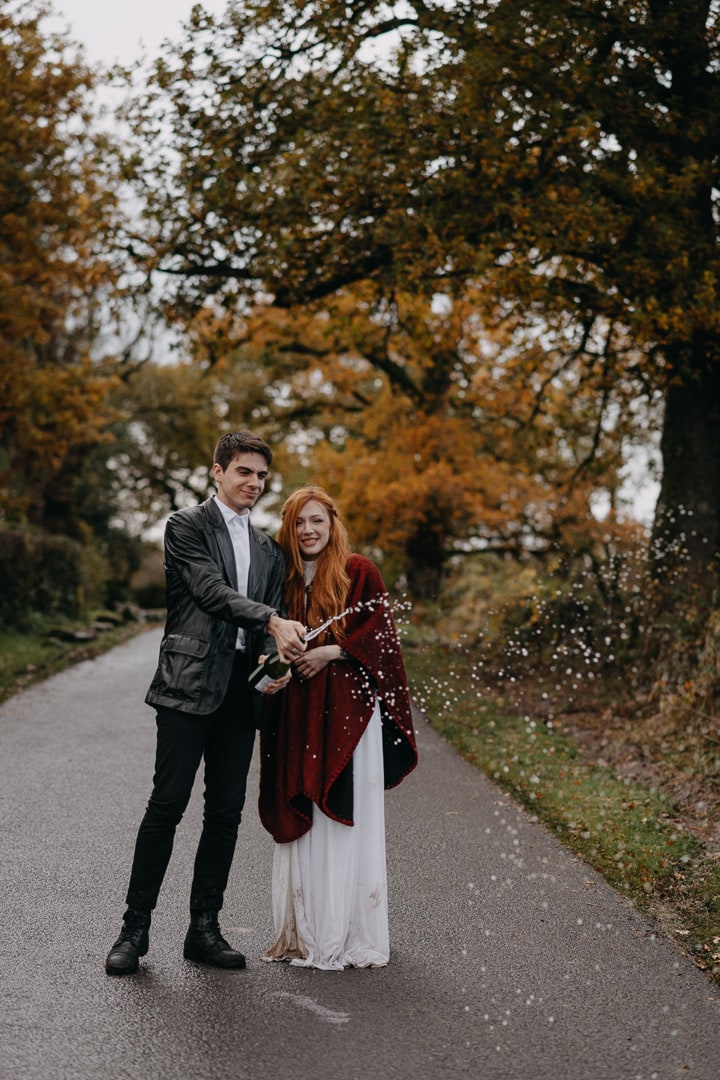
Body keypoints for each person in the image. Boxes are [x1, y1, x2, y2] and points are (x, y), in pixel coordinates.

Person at [105, 430, 307, 976]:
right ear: (217, 471)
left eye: (262, 476)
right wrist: (270, 619)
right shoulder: (185, 526)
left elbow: (274, 617)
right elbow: (209, 591)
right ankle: (134, 929)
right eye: (244, 471)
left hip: (242, 699)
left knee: (224, 814)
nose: (254, 483)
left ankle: (204, 929)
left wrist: (277, 661)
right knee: (166, 806)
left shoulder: (269, 549)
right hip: (187, 685)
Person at [258, 485, 418, 970]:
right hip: (297, 711)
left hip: (348, 715)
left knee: (339, 811)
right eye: (299, 523)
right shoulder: (278, 577)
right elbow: (260, 635)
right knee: (301, 807)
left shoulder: (358, 571)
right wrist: (274, 670)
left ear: (332, 524)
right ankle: (304, 932)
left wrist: (331, 651)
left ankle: (346, 932)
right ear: (289, 529)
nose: (308, 531)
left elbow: (382, 640)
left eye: (317, 522)